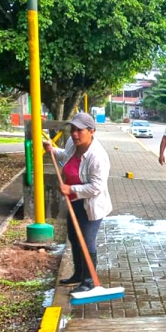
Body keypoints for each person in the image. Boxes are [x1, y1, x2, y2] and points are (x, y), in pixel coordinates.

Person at [43, 112, 112, 294]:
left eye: (79, 131)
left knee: (86, 240)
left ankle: (89, 281)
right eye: (73, 130)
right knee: (74, 237)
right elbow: (66, 157)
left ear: (91, 131)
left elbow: (96, 187)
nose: (74, 134)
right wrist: (53, 150)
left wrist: (71, 189)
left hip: (91, 205)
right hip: (74, 202)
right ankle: (78, 274)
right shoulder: (72, 144)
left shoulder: (97, 157)